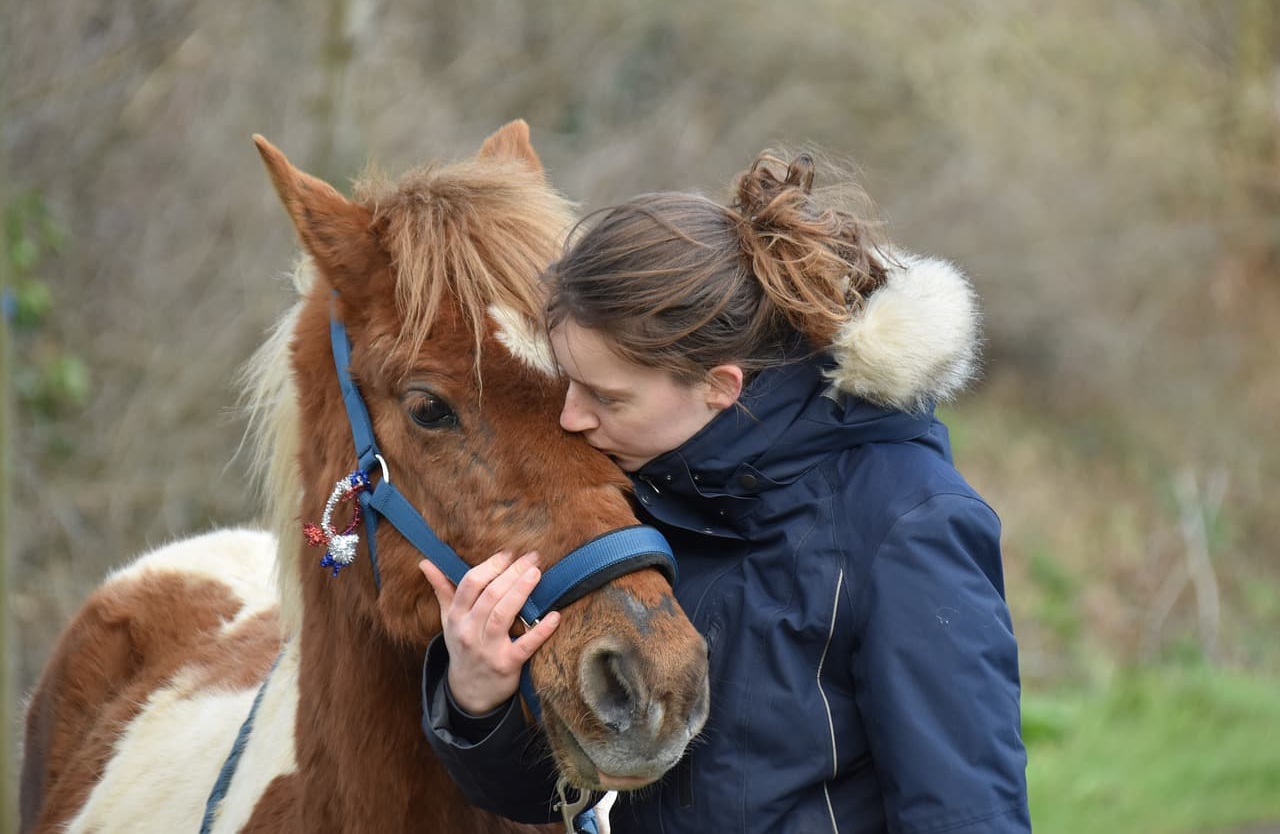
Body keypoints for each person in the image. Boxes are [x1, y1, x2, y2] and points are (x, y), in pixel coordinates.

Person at [418, 150, 1030, 833]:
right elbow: (563, 793)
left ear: (720, 385)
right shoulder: (649, 492)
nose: (572, 418)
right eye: (570, 383)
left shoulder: (905, 523)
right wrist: (479, 696)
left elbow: (967, 814)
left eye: (605, 396)